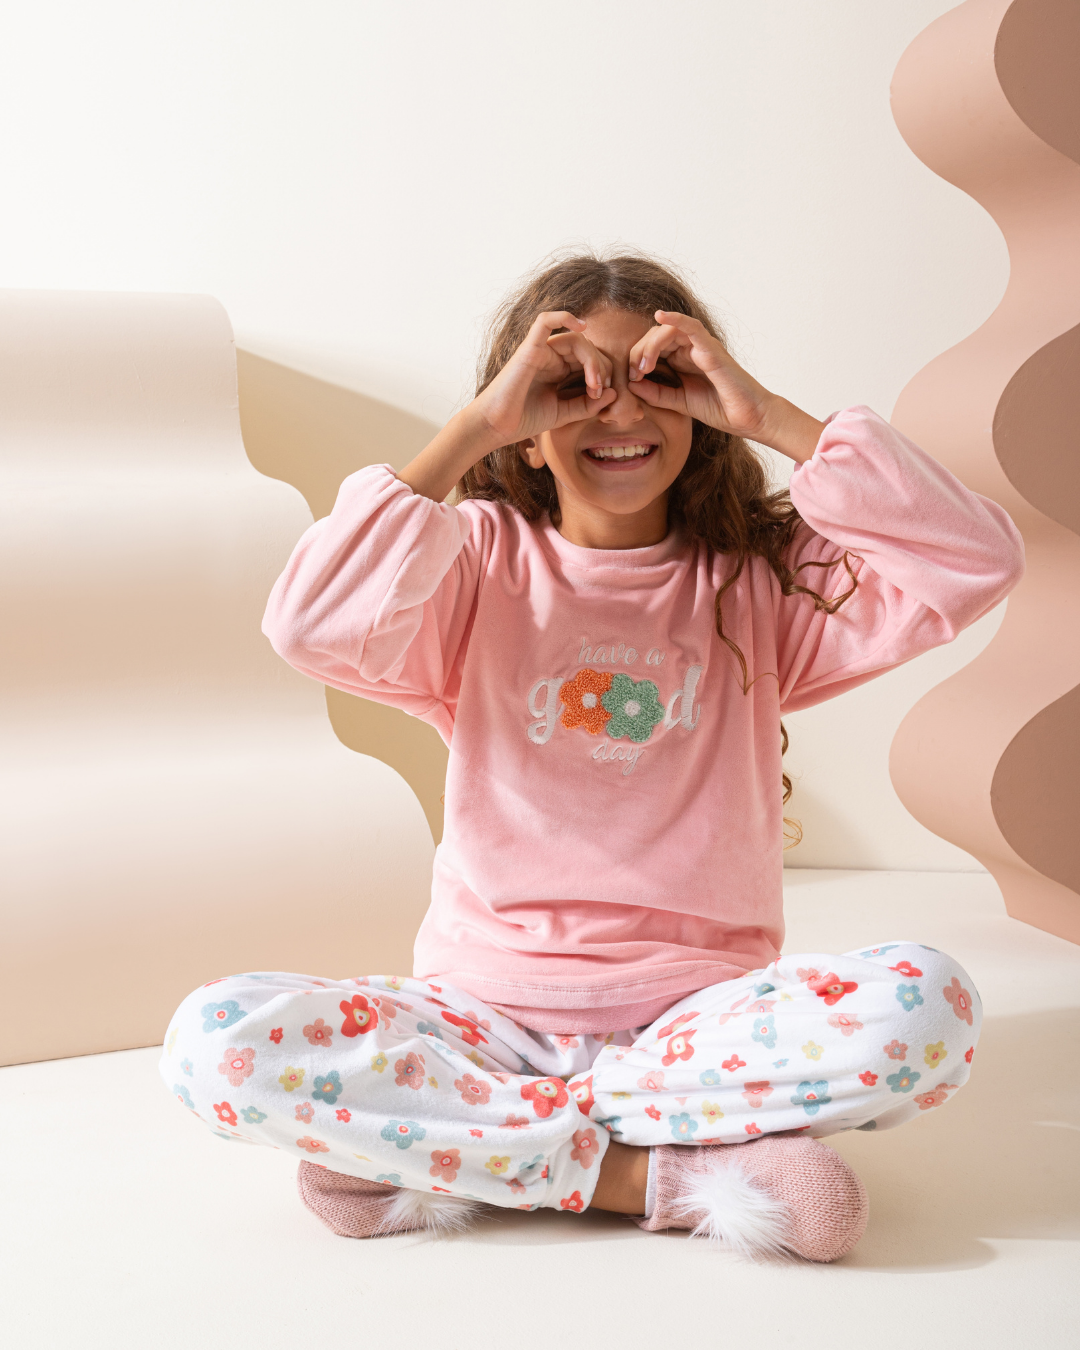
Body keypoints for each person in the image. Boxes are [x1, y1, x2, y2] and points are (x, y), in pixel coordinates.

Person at [160, 252, 1022, 1261]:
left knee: (928, 1007)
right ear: (524, 429)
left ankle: (460, 1142)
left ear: (701, 408)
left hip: (699, 1022)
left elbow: (976, 559)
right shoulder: (471, 561)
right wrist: (472, 428)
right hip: (480, 1017)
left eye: (659, 379)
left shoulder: (757, 581)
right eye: (571, 386)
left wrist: (771, 415)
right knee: (212, 1041)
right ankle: (648, 1175)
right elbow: (307, 624)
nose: (619, 411)